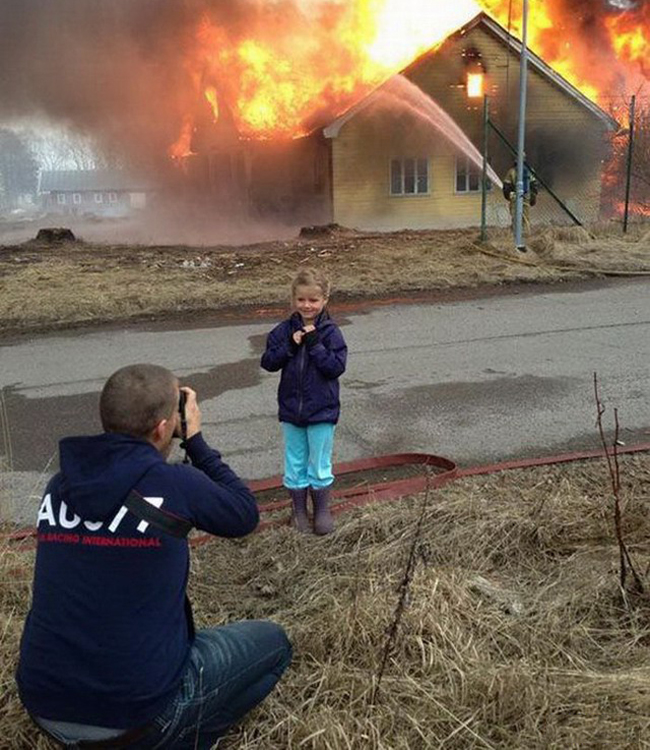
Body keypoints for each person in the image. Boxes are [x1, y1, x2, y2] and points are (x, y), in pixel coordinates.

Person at [16, 363, 292, 749]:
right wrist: (195, 440)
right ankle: (182, 738)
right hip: (139, 717)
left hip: (44, 705)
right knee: (275, 645)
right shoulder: (175, 484)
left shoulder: (59, 487)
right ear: (165, 427)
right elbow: (243, 514)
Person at [261, 268, 347, 535]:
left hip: (322, 410)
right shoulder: (283, 331)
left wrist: (315, 345)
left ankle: (321, 510)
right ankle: (298, 510)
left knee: (319, 461)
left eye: (313, 300)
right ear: (293, 300)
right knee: (295, 460)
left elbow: (335, 367)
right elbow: (268, 362)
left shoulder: (331, 333)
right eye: (301, 300)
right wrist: (289, 345)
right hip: (291, 411)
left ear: (325, 301)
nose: (307, 306)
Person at [502, 158, 538, 236]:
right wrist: (532, 197)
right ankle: (524, 234)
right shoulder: (530, 171)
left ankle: (517, 235)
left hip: (515, 198)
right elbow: (534, 186)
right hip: (526, 197)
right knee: (525, 217)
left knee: (516, 217)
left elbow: (506, 187)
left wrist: (509, 195)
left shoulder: (511, 172)